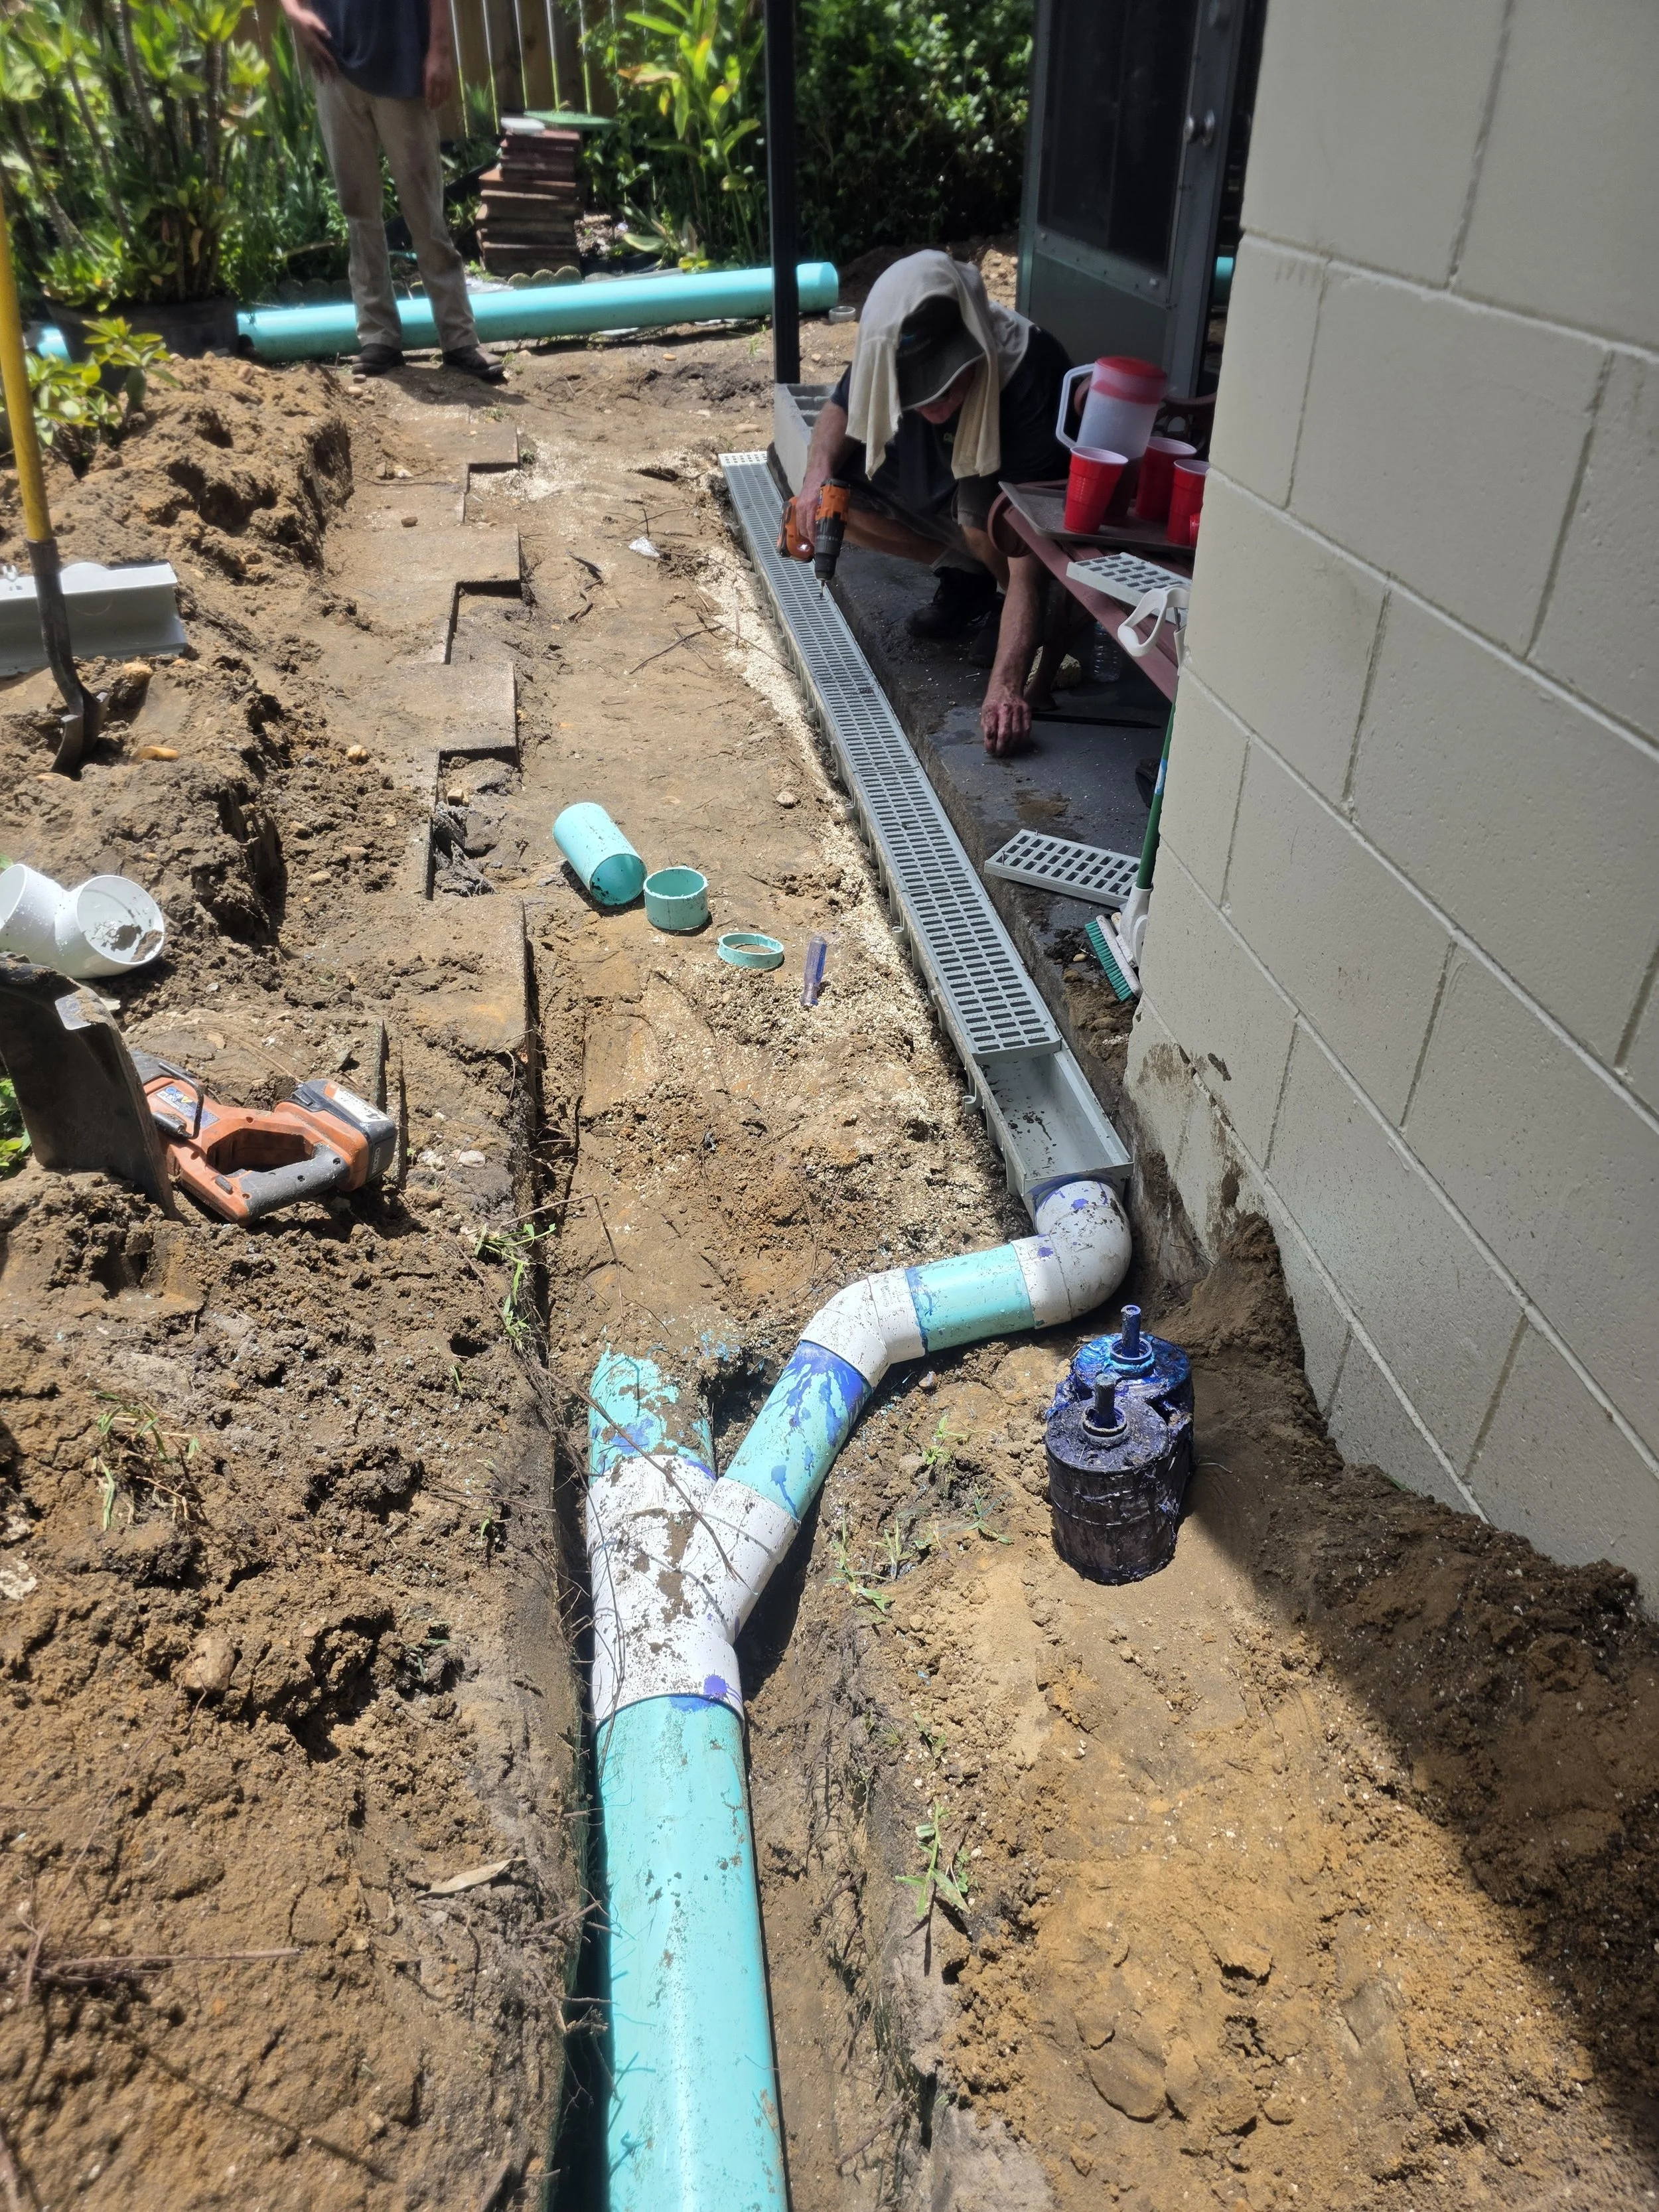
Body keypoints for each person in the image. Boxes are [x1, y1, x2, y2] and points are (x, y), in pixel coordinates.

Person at [788, 250, 1070, 757]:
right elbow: (841, 406)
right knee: (836, 498)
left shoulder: (1028, 372)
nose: (936, 408)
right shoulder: (889, 348)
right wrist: (814, 480)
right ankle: (968, 578)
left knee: (983, 524)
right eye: (919, 395)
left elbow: (1029, 554)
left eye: (945, 387)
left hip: (1005, 502)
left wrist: (1007, 682)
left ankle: (1013, 606)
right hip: (944, 484)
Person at [278, 0, 504, 384]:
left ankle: (459, 338)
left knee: (425, 210)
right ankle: (378, 338)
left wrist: (440, 50)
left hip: (403, 61)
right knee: (358, 209)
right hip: (334, 64)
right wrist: (292, 13)